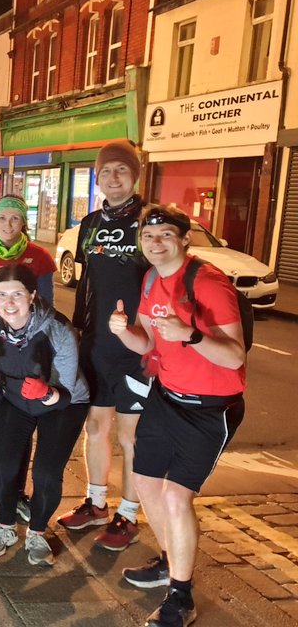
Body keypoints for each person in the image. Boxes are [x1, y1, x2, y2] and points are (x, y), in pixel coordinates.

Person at [109, 205, 245, 627]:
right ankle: (170, 562)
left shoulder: (208, 283)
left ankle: (181, 598)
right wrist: (123, 331)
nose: (156, 243)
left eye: (166, 235)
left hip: (210, 408)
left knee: (175, 495)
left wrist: (191, 335)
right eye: (149, 237)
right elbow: (147, 342)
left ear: (184, 239)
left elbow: (235, 356)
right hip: (166, 396)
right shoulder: (151, 279)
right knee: (146, 482)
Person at [58, 140, 151, 553]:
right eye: (106, 171)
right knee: (96, 426)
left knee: (130, 436)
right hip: (96, 343)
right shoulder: (91, 223)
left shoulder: (148, 220)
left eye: (121, 170)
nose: (113, 178)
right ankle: (96, 503)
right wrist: (79, 330)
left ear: (135, 176)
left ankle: (128, 514)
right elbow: (87, 283)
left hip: (136, 346)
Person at [0, 265, 90, 566]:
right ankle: (6, 526)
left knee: (46, 473)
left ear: (32, 295)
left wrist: (45, 392)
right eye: (2, 294)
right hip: (16, 400)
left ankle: (37, 531)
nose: (9, 302)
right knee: (0, 468)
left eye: (17, 294)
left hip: (62, 403)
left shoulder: (58, 329)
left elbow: (65, 392)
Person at [0, 194, 57, 515]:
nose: (8, 224)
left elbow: (46, 306)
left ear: (23, 222)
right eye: (2, 218)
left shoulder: (39, 257)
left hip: (24, 348)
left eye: (14, 218)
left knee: (21, 417)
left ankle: (15, 490)